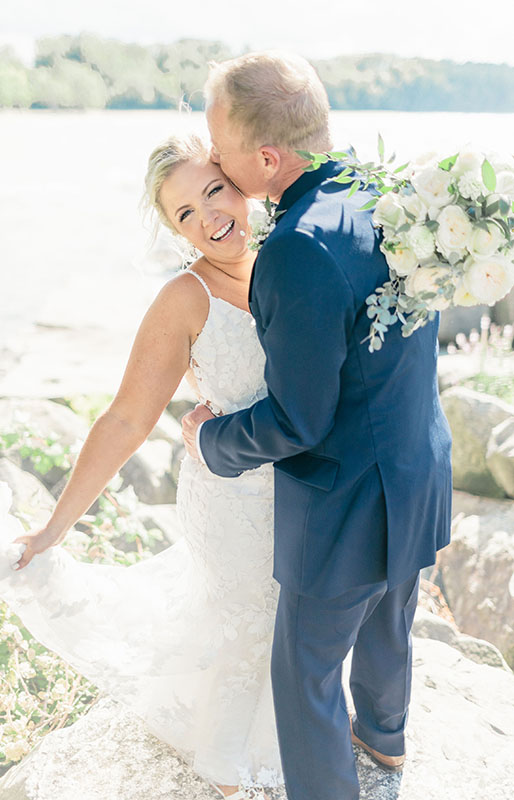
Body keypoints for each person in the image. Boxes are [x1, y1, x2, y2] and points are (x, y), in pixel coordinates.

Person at [181, 51, 453, 800]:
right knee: (390, 616)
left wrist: (211, 440)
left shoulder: (296, 248)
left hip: (345, 505)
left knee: (302, 671)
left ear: (266, 158)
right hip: (417, 466)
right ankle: (385, 746)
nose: (211, 158)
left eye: (219, 146)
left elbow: (297, 421)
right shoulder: (387, 190)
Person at [0, 134, 283, 800]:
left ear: (242, 180)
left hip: (306, 494)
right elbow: (126, 419)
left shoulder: (292, 260)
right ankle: (226, 773)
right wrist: (54, 528)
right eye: (184, 214)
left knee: (298, 625)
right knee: (248, 629)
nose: (209, 217)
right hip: (232, 501)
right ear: (177, 233)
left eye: (213, 190)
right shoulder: (185, 298)